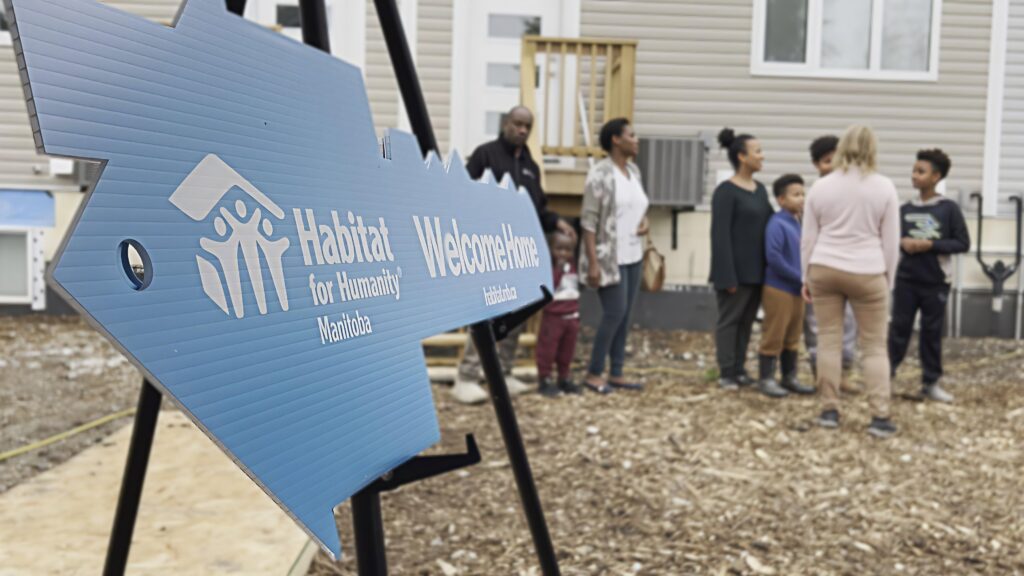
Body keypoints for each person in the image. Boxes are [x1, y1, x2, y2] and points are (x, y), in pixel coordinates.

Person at [452, 106, 578, 405]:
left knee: (517, 314)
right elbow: (461, 195)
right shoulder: (485, 155)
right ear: (505, 123)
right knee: (487, 313)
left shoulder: (530, 166)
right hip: (492, 249)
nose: (522, 130)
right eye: (517, 124)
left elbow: (538, 208)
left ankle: (504, 372)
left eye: (527, 126)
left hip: (521, 252)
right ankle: (466, 377)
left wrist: (557, 222)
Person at [801, 125, 901, 438]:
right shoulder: (884, 187)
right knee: (874, 346)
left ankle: (829, 410)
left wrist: (805, 276)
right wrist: (888, 279)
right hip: (868, 269)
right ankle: (879, 416)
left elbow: (808, 237)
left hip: (824, 266)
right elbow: (891, 241)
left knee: (828, 340)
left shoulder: (821, 186)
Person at [889, 149, 969, 403]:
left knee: (931, 332)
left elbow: (962, 243)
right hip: (905, 280)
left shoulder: (948, 209)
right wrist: (902, 242)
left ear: (936, 176)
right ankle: (885, 378)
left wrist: (929, 245)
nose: (914, 175)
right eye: (914, 170)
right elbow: (891, 239)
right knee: (898, 329)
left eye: (921, 171)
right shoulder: (904, 209)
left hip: (936, 282)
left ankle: (931, 383)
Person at [580, 118, 649, 394]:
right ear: (616, 140)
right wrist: (593, 263)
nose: (637, 140)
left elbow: (637, 207)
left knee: (625, 315)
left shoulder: (634, 171)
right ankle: (594, 372)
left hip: (634, 254)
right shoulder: (599, 174)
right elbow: (588, 221)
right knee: (614, 313)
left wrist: (644, 222)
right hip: (608, 257)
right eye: (631, 135)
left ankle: (617, 372)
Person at [709, 128, 773, 390]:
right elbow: (720, 236)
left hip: (756, 272)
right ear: (742, 157)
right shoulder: (726, 192)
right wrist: (727, 276)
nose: (762, 156)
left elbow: (771, 224)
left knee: (746, 323)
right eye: (758, 151)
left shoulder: (760, 191)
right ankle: (726, 372)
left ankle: (739, 368)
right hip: (734, 273)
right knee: (730, 322)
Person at [806, 135, 859, 390]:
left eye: (838, 159)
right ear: (817, 165)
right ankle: (820, 373)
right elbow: (807, 237)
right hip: (821, 265)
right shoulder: (814, 194)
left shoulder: (856, 192)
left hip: (852, 264)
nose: (834, 166)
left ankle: (843, 372)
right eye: (827, 161)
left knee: (848, 320)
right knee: (817, 323)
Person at [757, 174, 815, 398]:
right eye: (796, 195)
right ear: (781, 199)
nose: (801, 199)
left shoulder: (799, 223)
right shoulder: (777, 223)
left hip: (797, 290)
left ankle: (790, 377)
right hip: (778, 288)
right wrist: (800, 278)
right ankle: (766, 378)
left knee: (793, 334)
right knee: (774, 333)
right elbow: (774, 257)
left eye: (803, 194)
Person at [536, 231, 583, 397]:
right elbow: (550, 286)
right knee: (547, 350)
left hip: (572, 316)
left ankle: (564, 378)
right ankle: (545, 379)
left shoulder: (573, 266)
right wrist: (558, 270)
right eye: (559, 249)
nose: (563, 253)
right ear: (550, 249)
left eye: (568, 249)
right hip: (553, 317)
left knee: (567, 351)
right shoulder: (549, 268)